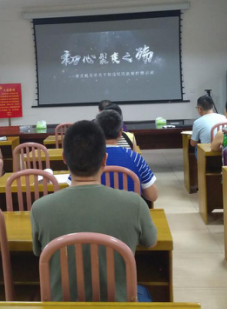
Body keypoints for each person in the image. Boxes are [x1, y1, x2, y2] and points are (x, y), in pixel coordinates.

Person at [30, 120, 157, 302]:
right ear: (104, 159)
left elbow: (37, 252)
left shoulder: (40, 208)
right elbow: (151, 243)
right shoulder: (135, 204)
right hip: (117, 305)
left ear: (64, 158)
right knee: (144, 292)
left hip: (62, 305)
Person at [96, 109, 158, 202]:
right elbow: (152, 196)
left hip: (98, 210)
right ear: (120, 133)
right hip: (131, 210)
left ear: (96, 132)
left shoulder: (88, 159)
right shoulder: (135, 158)